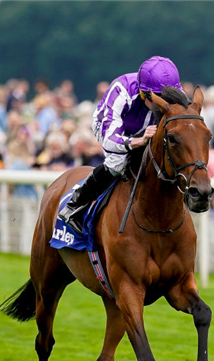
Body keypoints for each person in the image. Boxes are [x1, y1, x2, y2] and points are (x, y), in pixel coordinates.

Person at [59, 56, 183, 233]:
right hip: (112, 126)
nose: (163, 104)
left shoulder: (176, 95)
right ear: (143, 92)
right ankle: (75, 205)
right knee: (118, 163)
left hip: (146, 127)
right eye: (159, 98)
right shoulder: (121, 91)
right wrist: (138, 141)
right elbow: (110, 140)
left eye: (168, 98)